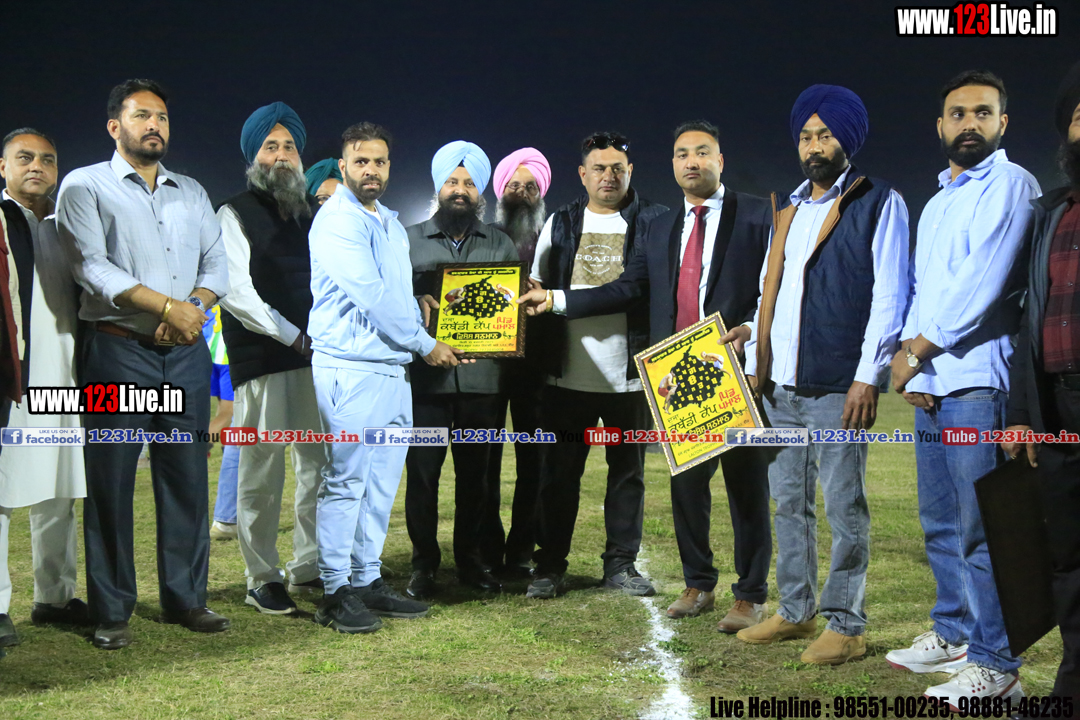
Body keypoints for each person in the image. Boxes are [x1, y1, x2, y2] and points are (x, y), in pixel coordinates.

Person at [520, 121, 774, 632]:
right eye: (682, 154)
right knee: (688, 488)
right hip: (676, 374)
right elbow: (628, 287)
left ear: (720, 160)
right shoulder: (662, 226)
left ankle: (750, 594)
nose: (692, 162)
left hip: (732, 367)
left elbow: (775, 284)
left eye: (702, 152)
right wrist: (558, 300)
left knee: (745, 486)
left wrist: (753, 329)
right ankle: (698, 583)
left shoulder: (758, 214)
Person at [738, 85, 910, 665]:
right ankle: (795, 611)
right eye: (807, 136)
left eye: (826, 135)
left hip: (839, 385)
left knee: (843, 506)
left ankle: (846, 624)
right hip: (780, 388)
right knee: (789, 504)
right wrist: (752, 342)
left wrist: (868, 376)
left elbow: (890, 296)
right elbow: (775, 292)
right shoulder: (787, 210)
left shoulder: (878, 201)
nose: (814, 146)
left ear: (847, 140)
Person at [57, 79, 231, 650]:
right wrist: (165, 307)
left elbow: (217, 265)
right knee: (110, 482)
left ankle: (187, 599)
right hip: (117, 352)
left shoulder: (192, 192)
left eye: (161, 116)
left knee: (186, 480)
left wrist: (190, 310)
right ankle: (112, 610)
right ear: (115, 126)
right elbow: (91, 267)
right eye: (141, 116)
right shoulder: (84, 185)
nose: (154, 125)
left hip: (184, 354)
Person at [887, 70, 1041, 704]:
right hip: (934, 382)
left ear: (1003, 123)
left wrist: (916, 351)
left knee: (984, 529)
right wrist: (917, 364)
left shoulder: (1013, 184)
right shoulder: (938, 200)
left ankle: (997, 663)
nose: (969, 123)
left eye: (982, 112)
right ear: (941, 125)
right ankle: (953, 632)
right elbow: (923, 289)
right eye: (958, 113)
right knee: (941, 523)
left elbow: (984, 286)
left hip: (979, 383)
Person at [308, 121, 464, 633]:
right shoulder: (338, 219)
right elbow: (370, 295)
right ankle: (334, 591)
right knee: (346, 481)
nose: (370, 170)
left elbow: (389, 291)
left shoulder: (390, 222)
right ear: (343, 166)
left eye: (379, 161)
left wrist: (417, 303)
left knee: (379, 484)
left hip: (391, 369)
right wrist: (426, 343)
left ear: (389, 166)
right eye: (361, 161)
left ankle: (367, 579)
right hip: (350, 368)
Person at [524, 132, 667, 599]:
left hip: (632, 375)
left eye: (618, 168)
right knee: (558, 476)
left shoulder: (656, 221)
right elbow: (536, 285)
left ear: (631, 172)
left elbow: (640, 289)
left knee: (628, 476)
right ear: (582, 174)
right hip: (567, 374)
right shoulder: (561, 221)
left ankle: (621, 565)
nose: (609, 176)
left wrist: (555, 300)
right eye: (599, 168)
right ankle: (549, 565)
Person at [217, 102, 325, 615]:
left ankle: (309, 564)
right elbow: (236, 291)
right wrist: (293, 336)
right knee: (261, 472)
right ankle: (261, 576)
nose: (282, 156)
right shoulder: (233, 212)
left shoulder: (314, 214)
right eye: (271, 146)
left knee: (318, 468)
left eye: (289, 147)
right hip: (263, 359)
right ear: (253, 156)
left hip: (316, 360)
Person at [404, 141, 518, 598]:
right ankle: (423, 566)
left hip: (482, 382)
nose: (460, 190)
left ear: (480, 192)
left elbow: (510, 310)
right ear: (438, 186)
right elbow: (391, 300)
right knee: (423, 477)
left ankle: (472, 562)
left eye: (469, 183)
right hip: (425, 382)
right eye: (452, 181)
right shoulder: (407, 240)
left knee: (477, 478)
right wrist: (415, 300)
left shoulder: (500, 243)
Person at [1001, 59, 1080, 707]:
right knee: (1069, 557)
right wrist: (1023, 412)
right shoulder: (1052, 213)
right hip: (1058, 407)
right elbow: (1031, 317)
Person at [0, 128, 89, 651]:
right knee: (2, 492)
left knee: (60, 488)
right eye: (24, 157)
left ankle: (55, 596)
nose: (37, 166)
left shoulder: (65, 227)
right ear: (3, 167)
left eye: (48, 159)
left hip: (66, 378)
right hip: (13, 380)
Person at [481, 148, 552, 578]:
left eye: (530, 187)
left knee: (535, 462)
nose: (521, 193)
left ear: (541, 194)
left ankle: (522, 549)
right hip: (489, 366)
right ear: (500, 191)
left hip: (538, 367)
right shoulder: (484, 237)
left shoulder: (554, 239)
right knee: (484, 460)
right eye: (513, 185)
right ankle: (487, 549)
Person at [203, 305, 240, 541]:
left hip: (209, 349)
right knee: (229, 415)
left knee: (224, 415)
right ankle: (194, 445)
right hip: (227, 354)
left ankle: (230, 513)